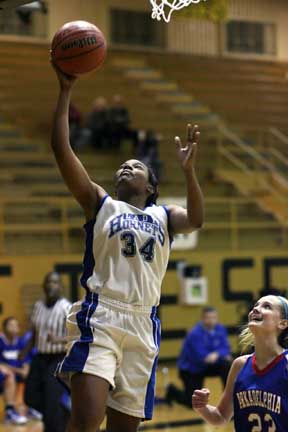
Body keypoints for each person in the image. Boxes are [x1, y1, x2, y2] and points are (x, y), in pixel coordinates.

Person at [50, 60, 204, 432]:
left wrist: (188, 173)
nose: (125, 167)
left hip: (143, 321)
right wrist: (66, 91)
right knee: (87, 420)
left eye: (134, 166)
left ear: (150, 186)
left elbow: (196, 220)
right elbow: (61, 149)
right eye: (122, 166)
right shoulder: (101, 204)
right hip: (102, 314)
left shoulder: (164, 215)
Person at [192, 295, 288, 431]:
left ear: (283, 323)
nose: (256, 309)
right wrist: (202, 407)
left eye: (267, 306)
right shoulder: (240, 365)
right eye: (255, 306)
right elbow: (220, 416)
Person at [24, 271, 71, 432]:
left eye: (55, 282)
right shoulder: (38, 306)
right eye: (49, 282)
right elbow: (34, 331)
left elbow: (77, 335)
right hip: (40, 358)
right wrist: (24, 352)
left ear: (61, 287)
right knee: (30, 396)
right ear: (44, 286)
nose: (51, 285)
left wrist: (58, 339)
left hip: (58, 359)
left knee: (51, 400)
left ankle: (56, 420)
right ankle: (61, 413)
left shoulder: (67, 307)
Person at [165, 306, 232, 407]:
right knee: (192, 403)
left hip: (207, 366)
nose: (211, 320)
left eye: (214, 317)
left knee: (227, 365)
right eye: (208, 318)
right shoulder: (195, 333)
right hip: (191, 370)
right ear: (203, 318)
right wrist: (220, 354)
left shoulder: (220, 329)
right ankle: (172, 391)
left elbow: (226, 348)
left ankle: (228, 399)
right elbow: (202, 357)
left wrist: (217, 354)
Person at [0, 317, 30, 425]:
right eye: (11, 325)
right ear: (4, 327)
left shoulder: (20, 341)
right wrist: (18, 370)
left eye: (16, 325)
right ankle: (9, 410)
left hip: (17, 372)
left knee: (33, 375)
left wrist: (26, 369)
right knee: (9, 375)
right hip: (6, 373)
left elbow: (25, 359)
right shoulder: (0, 340)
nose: (14, 328)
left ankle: (30, 407)